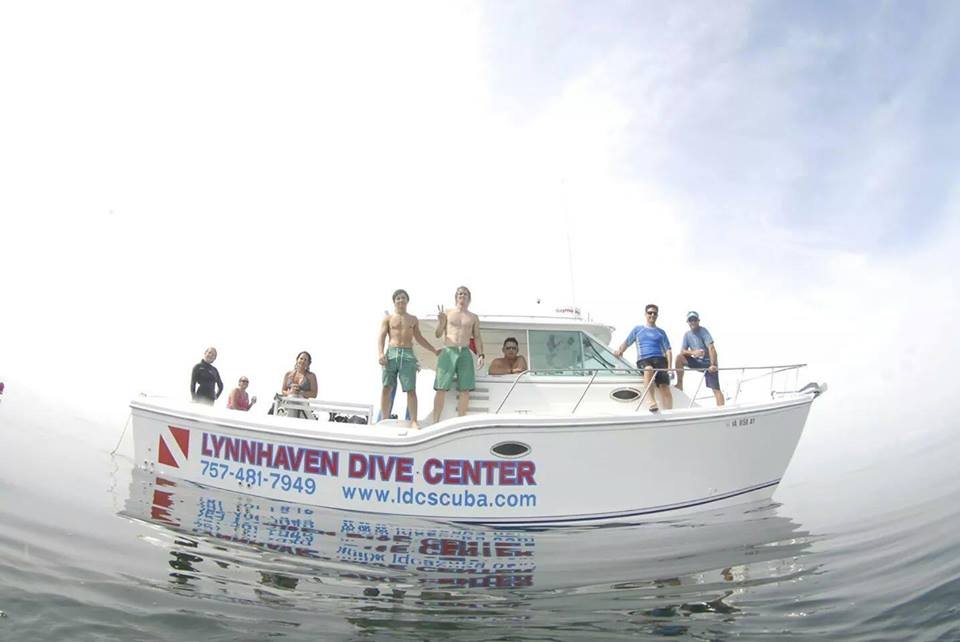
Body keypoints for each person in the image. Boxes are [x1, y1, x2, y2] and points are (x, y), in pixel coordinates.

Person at [377, 289, 440, 429]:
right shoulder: (388, 318)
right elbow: (381, 336)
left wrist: (434, 350)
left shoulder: (412, 319)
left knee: (411, 389)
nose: (401, 300)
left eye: (403, 298)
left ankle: (413, 420)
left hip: (407, 353)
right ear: (394, 301)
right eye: (398, 298)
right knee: (387, 387)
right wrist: (381, 353)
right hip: (392, 353)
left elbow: (419, 337)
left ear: (407, 301)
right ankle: (384, 418)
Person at [433, 286, 485, 423]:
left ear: (469, 298)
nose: (462, 296)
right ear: (456, 297)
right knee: (441, 386)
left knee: (465, 388)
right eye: (460, 293)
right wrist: (441, 320)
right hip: (449, 350)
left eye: (465, 294)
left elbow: (478, 337)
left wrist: (481, 355)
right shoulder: (447, 312)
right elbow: (438, 334)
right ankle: (435, 421)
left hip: (465, 352)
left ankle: (460, 421)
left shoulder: (473, 317)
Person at [614, 304, 673, 412]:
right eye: (650, 313)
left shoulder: (661, 332)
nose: (652, 315)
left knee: (664, 386)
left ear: (657, 315)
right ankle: (651, 401)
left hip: (660, 359)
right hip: (644, 359)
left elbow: (668, 350)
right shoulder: (638, 329)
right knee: (648, 369)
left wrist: (669, 367)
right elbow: (627, 342)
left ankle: (669, 412)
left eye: (654, 313)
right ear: (645, 314)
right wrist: (620, 351)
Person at [675, 311, 724, 406]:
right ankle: (679, 384)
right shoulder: (687, 335)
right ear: (688, 322)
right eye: (690, 320)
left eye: (694, 320)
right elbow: (683, 351)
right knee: (679, 357)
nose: (692, 322)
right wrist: (693, 352)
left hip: (708, 363)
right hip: (697, 362)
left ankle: (722, 409)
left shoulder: (703, 331)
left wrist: (713, 364)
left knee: (716, 389)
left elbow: (712, 348)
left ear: (698, 321)